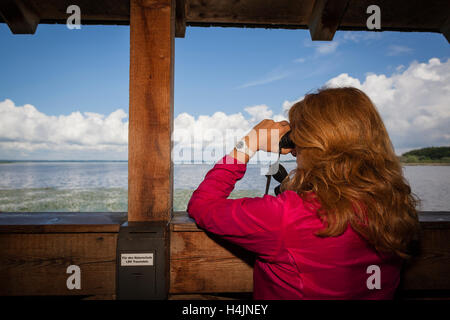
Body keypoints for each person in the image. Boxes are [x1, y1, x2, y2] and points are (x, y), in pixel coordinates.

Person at [187, 87, 420, 300]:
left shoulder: (288, 215)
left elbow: (202, 204)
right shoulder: (396, 208)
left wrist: (249, 143)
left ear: (311, 145)